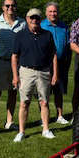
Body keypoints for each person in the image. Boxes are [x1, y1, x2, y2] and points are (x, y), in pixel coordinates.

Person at [11, 8, 58, 142]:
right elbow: (14, 57)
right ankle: (21, 131)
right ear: (27, 19)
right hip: (26, 72)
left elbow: (53, 55)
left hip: (44, 71)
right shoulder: (20, 35)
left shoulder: (47, 35)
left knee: (44, 102)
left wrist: (55, 73)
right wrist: (15, 76)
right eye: (32, 18)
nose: (34, 21)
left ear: (40, 20)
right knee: (24, 102)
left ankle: (46, 130)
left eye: (37, 18)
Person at [0, 0, 26, 134]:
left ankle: (10, 121)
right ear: (3, 7)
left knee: (13, 92)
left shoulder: (22, 23)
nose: (10, 8)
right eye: (7, 6)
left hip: (16, 63)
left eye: (13, 5)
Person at [41, 2, 70, 124]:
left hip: (61, 62)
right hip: (46, 63)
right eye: (50, 11)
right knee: (44, 91)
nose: (53, 14)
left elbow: (68, 44)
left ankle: (59, 115)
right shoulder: (42, 25)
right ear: (46, 13)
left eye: (55, 11)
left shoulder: (63, 26)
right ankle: (43, 118)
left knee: (58, 90)